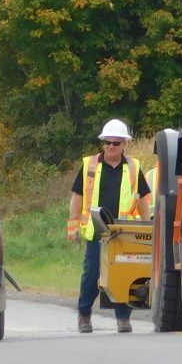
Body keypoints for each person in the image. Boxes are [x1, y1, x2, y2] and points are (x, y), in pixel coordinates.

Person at [67, 118, 151, 333]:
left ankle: (123, 318)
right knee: (93, 275)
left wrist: (147, 225)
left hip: (124, 232)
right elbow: (77, 196)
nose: (111, 147)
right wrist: (73, 224)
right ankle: (84, 314)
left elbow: (143, 198)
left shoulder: (133, 167)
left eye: (116, 143)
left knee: (123, 275)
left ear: (125, 144)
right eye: (108, 143)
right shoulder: (90, 165)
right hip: (97, 230)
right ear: (103, 143)